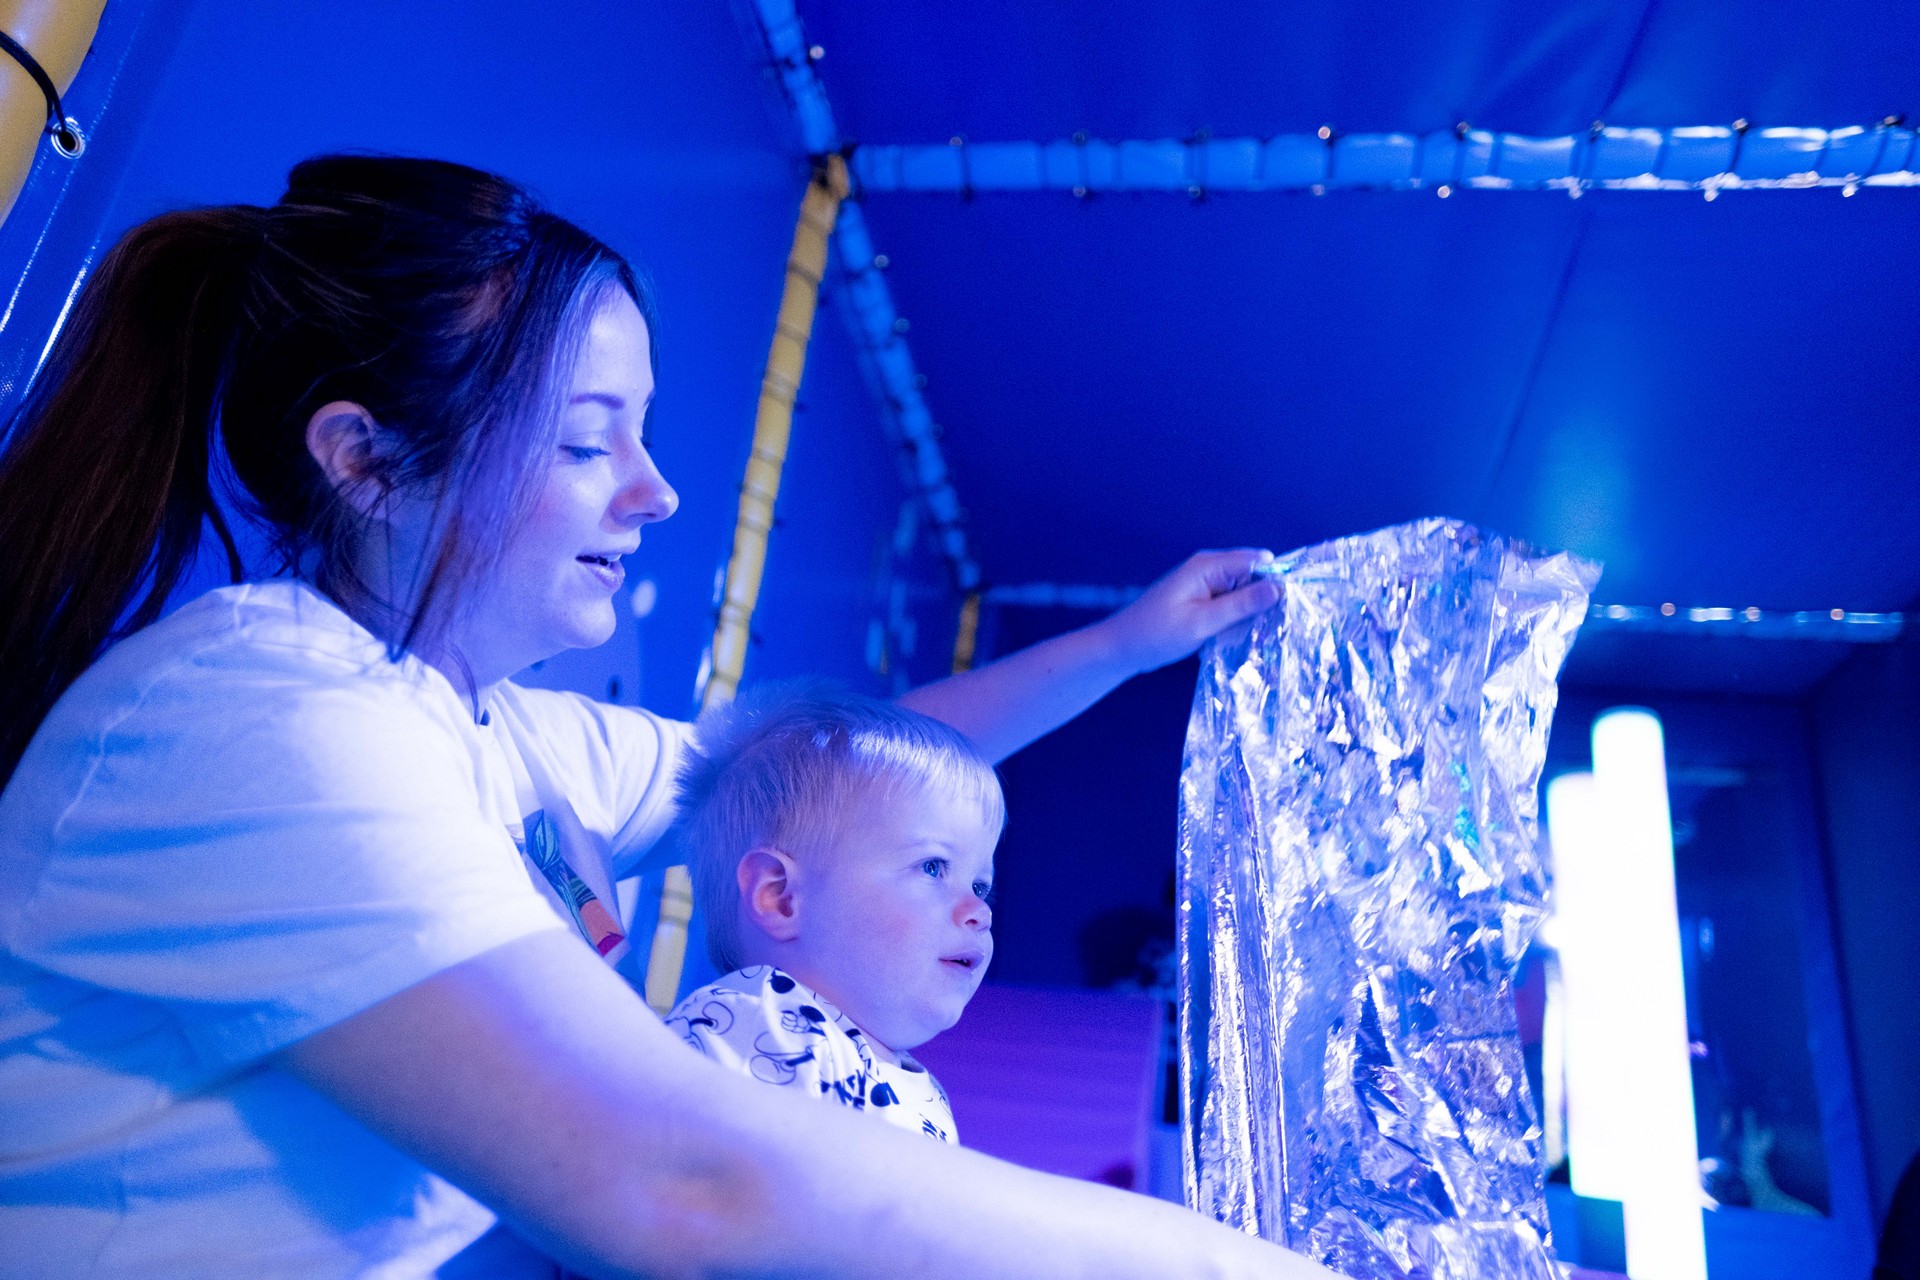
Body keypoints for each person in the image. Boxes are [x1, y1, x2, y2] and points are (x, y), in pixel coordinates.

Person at [0, 154, 1318, 1279]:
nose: (655, 492)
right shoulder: (264, 721)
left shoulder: (500, 733)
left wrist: (1125, 646)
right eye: (588, 441)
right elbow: (680, 1181)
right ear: (366, 462)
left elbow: (841, 783)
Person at [663, 683, 1003, 1144]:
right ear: (782, 897)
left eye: (980, 886)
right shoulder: (758, 1021)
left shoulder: (917, 1087)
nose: (979, 910)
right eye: (932, 867)